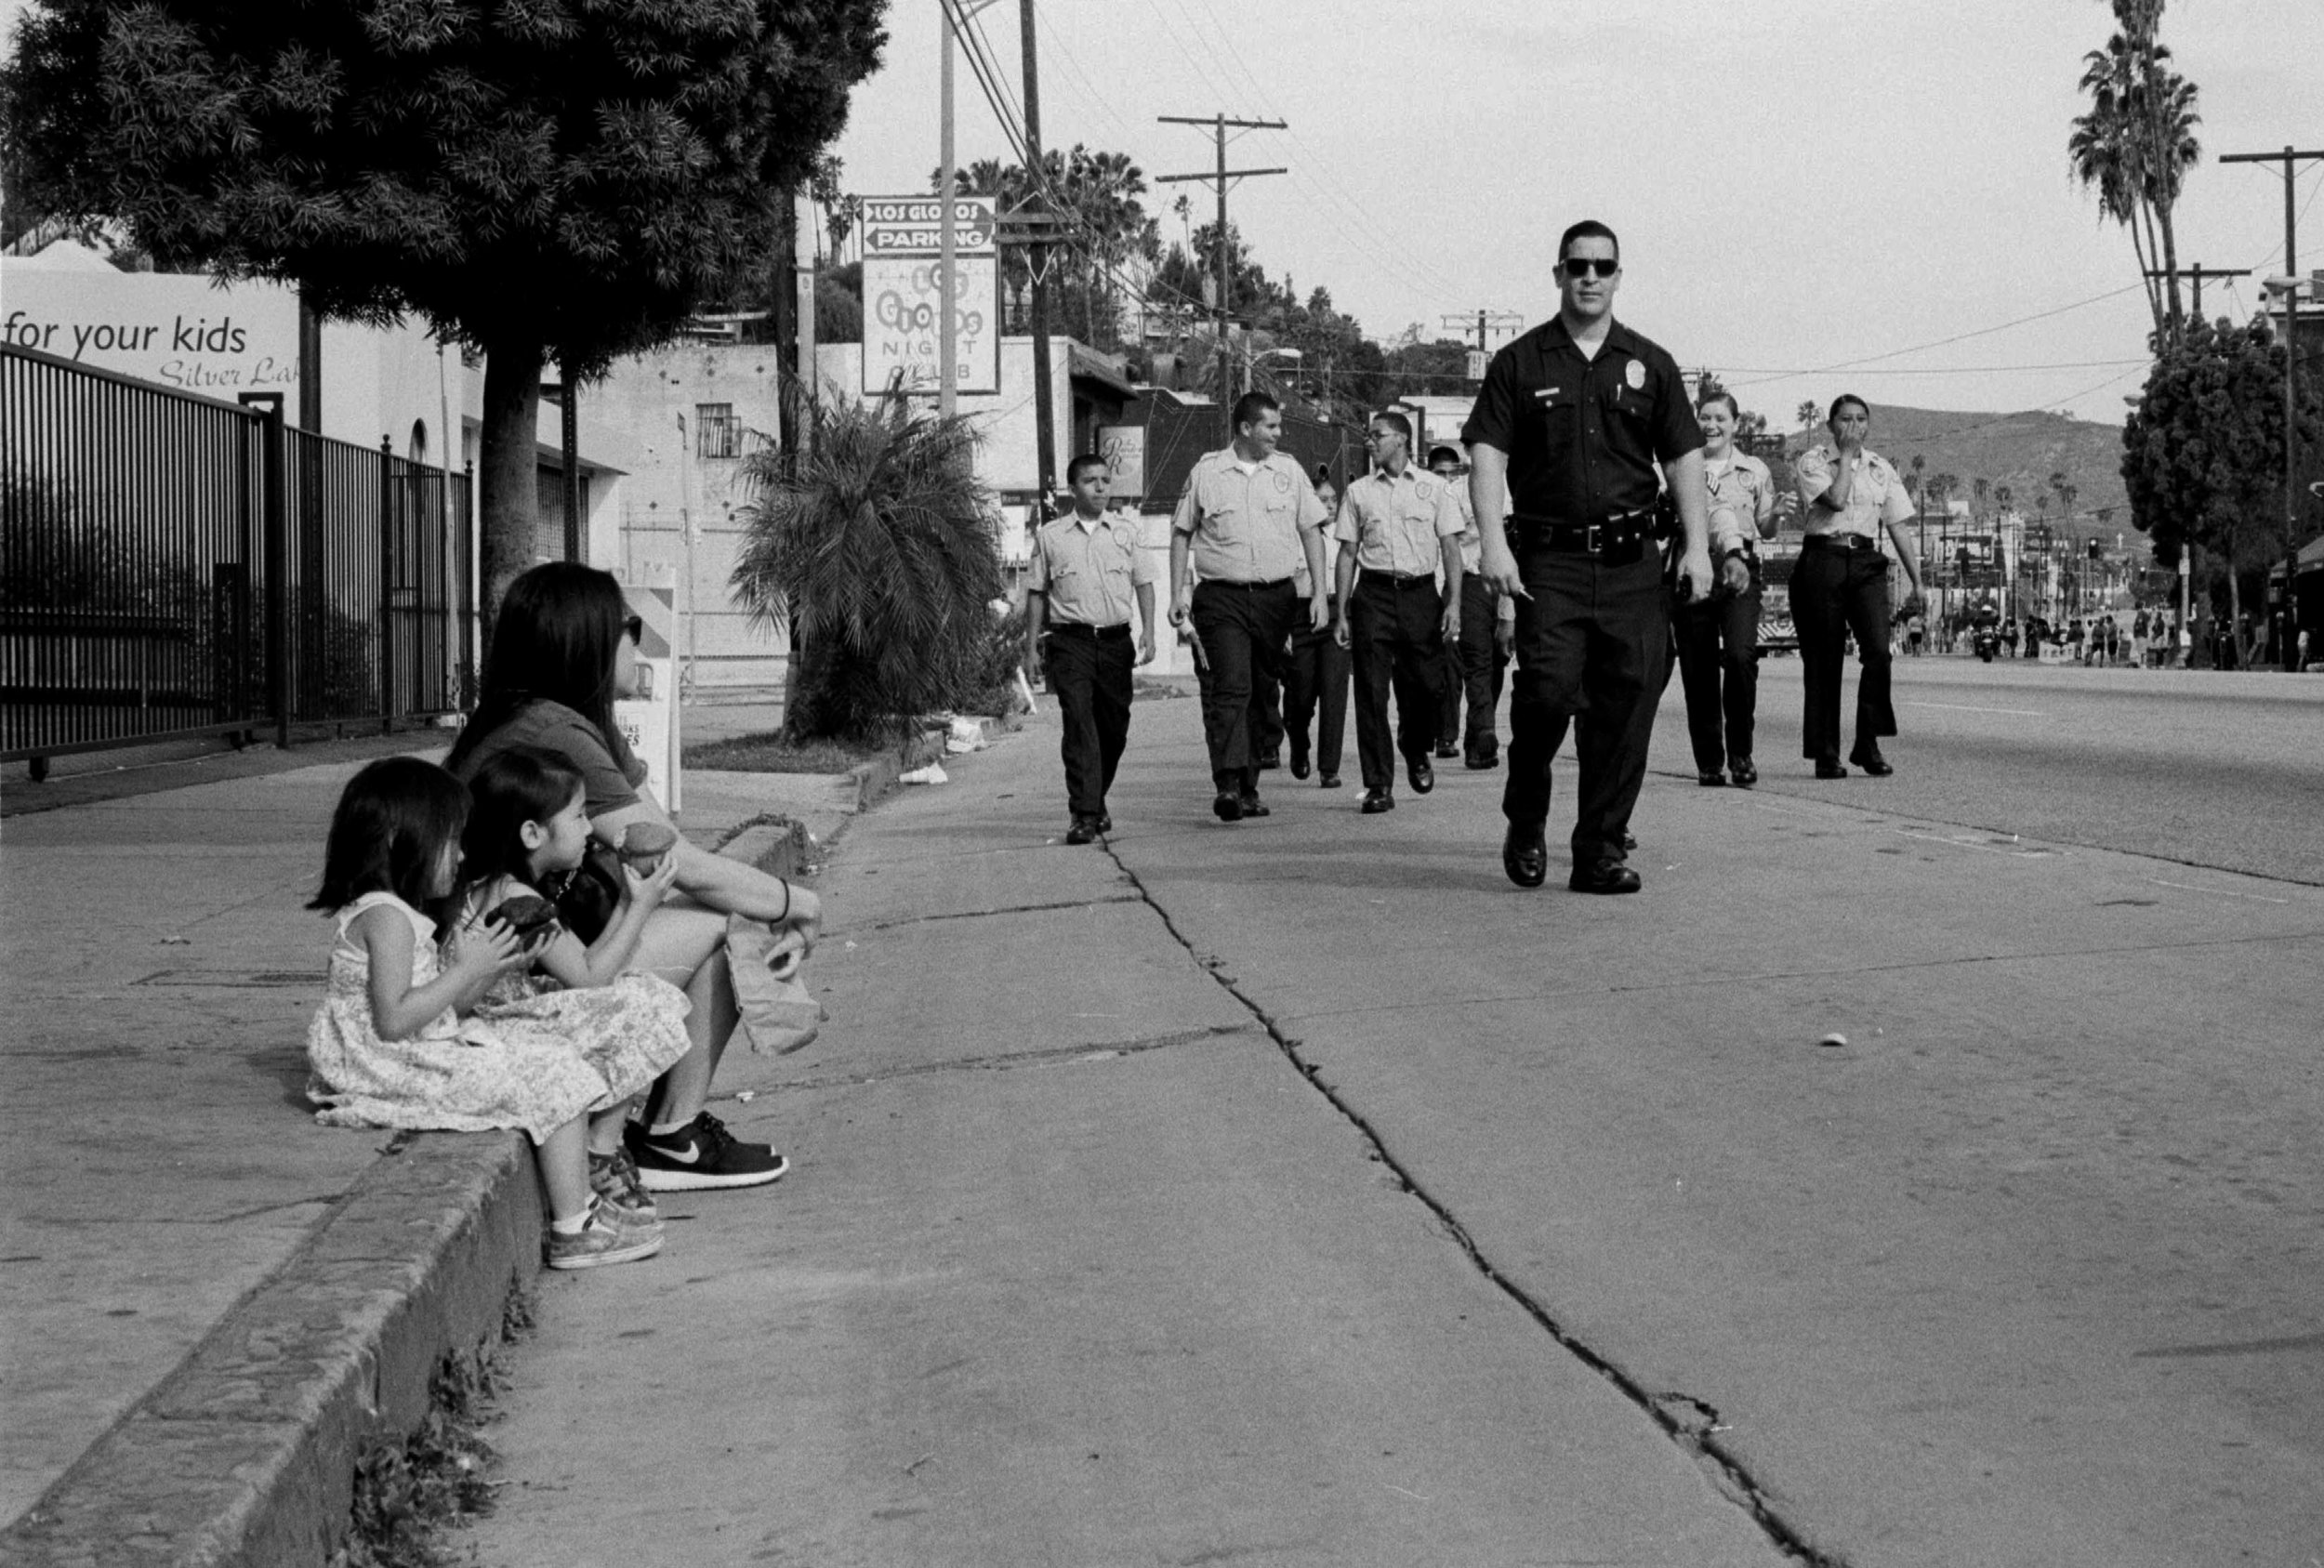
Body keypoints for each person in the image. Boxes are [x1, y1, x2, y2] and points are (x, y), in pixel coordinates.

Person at [445, 562, 817, 1192]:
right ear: (584, 639)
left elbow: (659, 847)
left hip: (544, 941)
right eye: (630, 626)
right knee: (729, 920)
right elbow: (677, 862)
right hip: (505, 965)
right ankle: (671, 1135)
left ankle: (667, 1126)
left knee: (722, 912)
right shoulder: (553, 730)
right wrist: (798, 903)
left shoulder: (580, 724)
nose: (638, 641)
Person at [306, 757, 671, 1271]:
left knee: (554, 1059)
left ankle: (583, 1204)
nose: (460, 856)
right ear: (397, 841)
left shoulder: (398, 912)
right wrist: (467, 968)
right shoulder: (386, 918)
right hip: (388, 1062)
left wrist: (489, 968)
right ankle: (574, 1226)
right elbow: (392, 1019)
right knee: (557, 1075)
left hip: (415, 1046)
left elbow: (436, 1005)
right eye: (450, 841)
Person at [1466, 219, 1714, 893]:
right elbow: (1487, 454)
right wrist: (1492, 543)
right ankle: (1526, 814)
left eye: (1603, 266)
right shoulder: (1521, 362)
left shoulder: (1649, 363)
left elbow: (1684, 455)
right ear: (1558, 274)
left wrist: (1697, 546)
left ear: (1618, 276)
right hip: (1552, 563)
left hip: (1635, 562)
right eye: (1578, 265)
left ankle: (1599, 850)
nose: (1590, 277)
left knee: (1625, 705)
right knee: (1545, 693)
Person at [455, 745, 696, 1226]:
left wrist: (630, 901)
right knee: (644, 1003)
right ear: (531, 833)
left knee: (637, 995)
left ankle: (601, 1148)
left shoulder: (501, 885)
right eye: (580, 816)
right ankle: (599, 1152)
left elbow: (585, 966)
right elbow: (589, 977)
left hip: (501, 1013)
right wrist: (643, 906)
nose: (590, 829)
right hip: (496, 1024)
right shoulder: (516, 897)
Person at [1169, 392, 1331, 823]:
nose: (1278, 435)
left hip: (1276, 598)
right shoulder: (1207, 472)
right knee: (1231, 687)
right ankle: (1226, 781)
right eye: (1271, 427)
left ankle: (1249, 786)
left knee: (1262, 690)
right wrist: (1175, 596)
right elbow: (1182, 532)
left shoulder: (1289, 471)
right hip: (1221, 598)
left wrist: (1318, 593)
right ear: (1245, 429)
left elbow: (1312, 532)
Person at [1332, 412, 1465, 814]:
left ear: (1403, 439)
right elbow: (1347, 554)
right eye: (1368, 436)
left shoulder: (1435, 488)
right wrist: (1342, 612)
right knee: (1370, 692)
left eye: (1378, 435)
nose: (1370, 442)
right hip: (1372, 595)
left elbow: (1450, 549)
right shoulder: (1357, 492)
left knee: (1427, 687)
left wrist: (1454, 602)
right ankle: (1378, 784)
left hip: (1420, 595)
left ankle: (1415, 745)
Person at [1790, 395, 1927, 778]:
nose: (1854, 426)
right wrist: (1847, 459)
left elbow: (1897, 523)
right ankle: (1825, 753)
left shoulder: (1881, 468)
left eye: (1861, 419)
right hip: (1823, 557)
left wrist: (1918, 581)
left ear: (1869, 425)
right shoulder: (1813, 462)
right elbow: (1834, 500)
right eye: (1845, 419)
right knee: (1824, 660)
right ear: (1830, 425)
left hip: (1866, 561)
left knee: (1879, 652)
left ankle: (1867, 743)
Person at [1024, 455, 1159, 845]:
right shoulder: (1051, 536)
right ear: (1072, 489)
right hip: (1071, 642)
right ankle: (1083, 813)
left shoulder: (1126, 531)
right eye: (1090, 481)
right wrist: (1030, 647)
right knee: (1080, 724)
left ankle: (1095, 797)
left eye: (1105, 480)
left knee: (1113, 730)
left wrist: (1148, 630)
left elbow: (1144, 582)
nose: (1100, 488)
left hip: (1116, 642)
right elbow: (1036, 592)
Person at [1674, 389, 1773, 788]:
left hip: (1740, 567)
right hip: (1692, 564)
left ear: (1735, 424)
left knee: (1739, 656)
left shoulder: (1754, 470)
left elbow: (1764, 527)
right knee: (1697, 667)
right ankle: (1710, 760)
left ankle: (1742, 752)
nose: (1711, 425)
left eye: (1720, 418)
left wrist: (1776, 517)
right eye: (1705, 417)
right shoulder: (1681, 466)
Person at [1427, 443, 1515, 770]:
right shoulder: (1453, 493)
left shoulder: (1512, 488)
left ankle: (1477, 732)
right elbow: (1446, 549)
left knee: (1497, 658)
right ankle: (1482, 738)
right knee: (1475, 658)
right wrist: (1449, 596)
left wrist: (1510, 608)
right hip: (1470, 580)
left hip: (1505, 582)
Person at [1283, 472, 1352, 788]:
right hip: (1301, 613)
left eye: (1334, 500)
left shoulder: (1345, 536)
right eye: (1322, 500)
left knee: (1334, 690)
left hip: (1337, 611)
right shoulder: (1294, 535)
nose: (1329, 506)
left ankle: (1329, 767)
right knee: (1299, 694)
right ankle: (1299, 744)